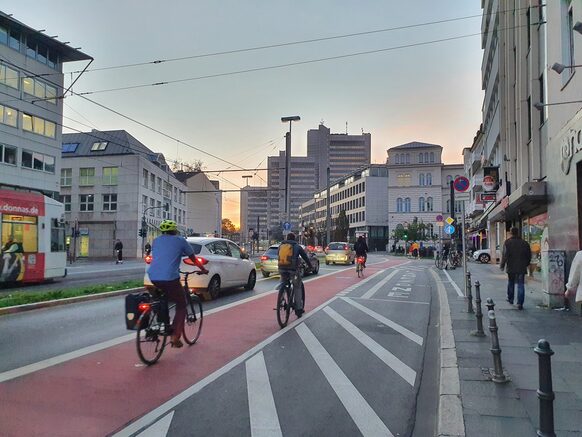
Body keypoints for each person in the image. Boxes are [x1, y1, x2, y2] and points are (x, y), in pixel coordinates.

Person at [146, 219, 208, 348]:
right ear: (175, 230)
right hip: (170, 277)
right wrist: (203, 269)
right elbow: (193, 258)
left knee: (162, 300)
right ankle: (175, 336)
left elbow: (162, 257)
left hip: (153, 276)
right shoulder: (180, 241)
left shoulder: (156, 241)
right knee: (181, 304)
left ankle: (161, 323)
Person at [278, 232, 313, 317]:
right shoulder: (297, 246)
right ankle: (298, 309)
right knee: (297, 287)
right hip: (293, 270)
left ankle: (281, 298)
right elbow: (305, 257)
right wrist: (310, 266)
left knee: (282, 283)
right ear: (294, 239)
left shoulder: (281, 246)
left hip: (281, 269)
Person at [500, 227, 532, 310]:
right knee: (520, 284)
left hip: (511, 266)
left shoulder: (507, 242)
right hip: (521, 267)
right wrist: (526, 264)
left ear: (511, 233)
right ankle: (520, 303)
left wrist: (502, 265)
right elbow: (529, 255)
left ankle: (510, 299)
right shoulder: (524, 243)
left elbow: (505, 255)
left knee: (511, 282)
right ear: (518, 233)